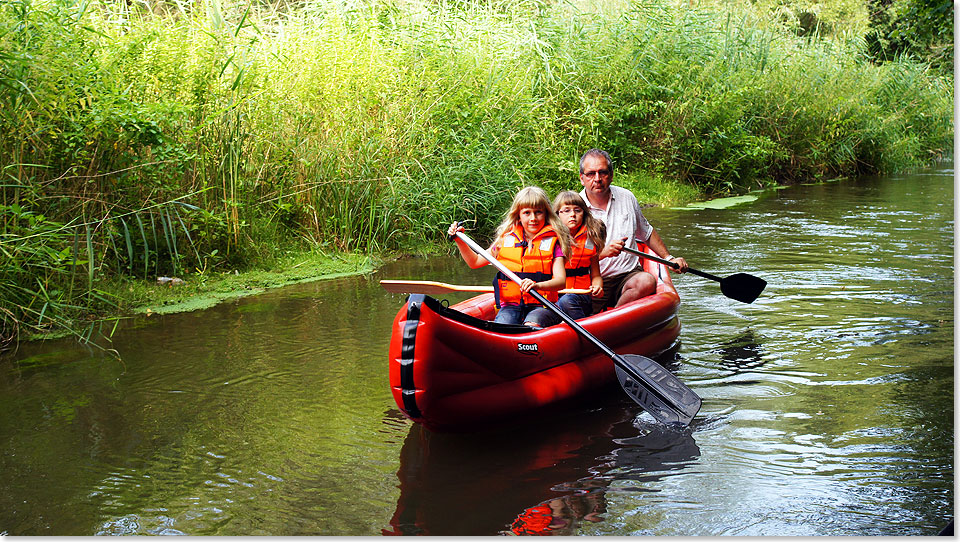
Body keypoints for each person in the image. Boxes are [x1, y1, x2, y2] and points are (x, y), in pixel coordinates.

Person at [577, 149, 688, 312]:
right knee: (576, 308)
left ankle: (613, 318)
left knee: (646, 281)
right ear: (582, 178)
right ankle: (604, 320)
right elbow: (569, 258)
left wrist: (669, 258)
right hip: (592, 279)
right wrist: (603, 253)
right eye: (591, 174)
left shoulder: (627, 197)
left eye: (603, 173)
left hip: (628, 275)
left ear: (611, 175)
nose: (597, 179)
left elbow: (646, 232)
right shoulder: (573, 208)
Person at [447, 186, 572, 328]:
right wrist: (459, 240)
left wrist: (537, 285)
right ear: (518, 215)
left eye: (538, 212)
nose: (533, 218)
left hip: (543, 306)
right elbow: (474, 262)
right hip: (511, 306)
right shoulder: (504, 241)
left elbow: (561, 281)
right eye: (527, 213)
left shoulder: (553, 244)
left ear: (546, 214)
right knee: (503, 325)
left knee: (532, 322)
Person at [552, 191, 605, 320]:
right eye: (566, 211)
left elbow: (596, 275)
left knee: (567, 301)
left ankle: (582, 330)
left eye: (577, 210)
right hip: (553, 296)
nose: (573, 215)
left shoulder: (590, 238)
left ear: (584, 213)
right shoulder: (550, 238)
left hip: (581, 296)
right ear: (557, 214)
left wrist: (598, 286)